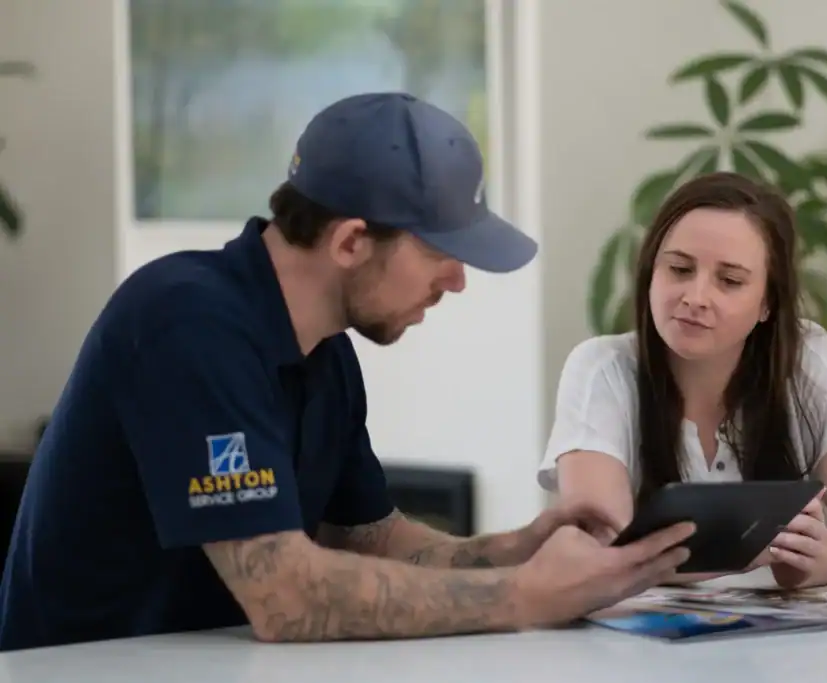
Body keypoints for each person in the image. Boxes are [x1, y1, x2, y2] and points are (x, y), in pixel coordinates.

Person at [0, 92, 696, 652]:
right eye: (439, 253)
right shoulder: (184, 321)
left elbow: (372, 537)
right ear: (351, 242)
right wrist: (526, 597)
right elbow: (286, 597)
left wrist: (518, 549)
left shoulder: (325, 350)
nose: (457, 280)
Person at [538, 171, 827, 590]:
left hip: (783, 648)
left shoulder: (807, 357)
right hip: (633, 650)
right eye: (679, 268)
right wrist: (753, 550)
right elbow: (602, 554)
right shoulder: (600, 369)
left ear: (768, 301)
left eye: (729, 281)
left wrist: (811, 562)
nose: (695, 297)